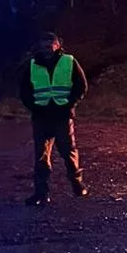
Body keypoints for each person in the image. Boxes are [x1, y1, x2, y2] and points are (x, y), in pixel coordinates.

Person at [21, 32, 89, 206]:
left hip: (62, 116)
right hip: (41, 117)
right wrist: (34, 107)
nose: (47, 48)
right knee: (41, 157)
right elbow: (24, 91)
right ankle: (41, 194)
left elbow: (82, 85)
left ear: (58, 45)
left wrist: (69, 104)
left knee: (68, 151)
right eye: (44, 44)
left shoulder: (69, 61)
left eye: (51, 44)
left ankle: (77, 184)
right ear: (39, 46)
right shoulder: (31, 65)